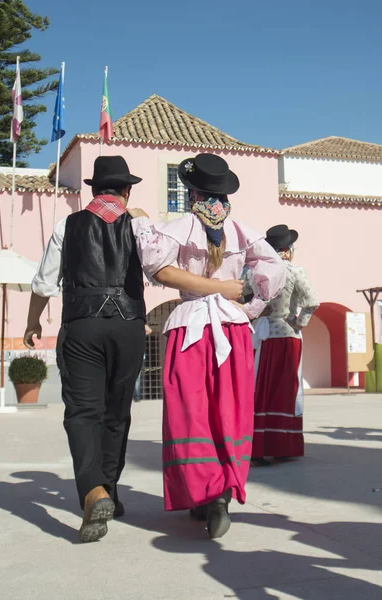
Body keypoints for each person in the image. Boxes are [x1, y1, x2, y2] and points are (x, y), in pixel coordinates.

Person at [23, 155, 245, 543]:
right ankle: (110, 488)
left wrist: (32, 322)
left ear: (93, 190)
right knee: (116, 412)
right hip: (128, 326)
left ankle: (94, 490)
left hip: (82, 324)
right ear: (127, 190)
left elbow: (43, 283)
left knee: (82, 412)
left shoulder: (67, 225)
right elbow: (160, 268)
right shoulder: (140, 226)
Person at [130, 153, 286, 539]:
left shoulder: (177, 227)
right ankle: (220, 494)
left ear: (190, 192)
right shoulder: (245, 233)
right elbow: (273, 270)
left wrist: (138, 218)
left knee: (190, 411)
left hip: (190, 328)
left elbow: (158, 268)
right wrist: (244, 303)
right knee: (229, 410)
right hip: (231, 329)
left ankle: (206, 491)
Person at [244, 224, 319, 465]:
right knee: (285, 390)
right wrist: (299, 323)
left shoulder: (254, 272)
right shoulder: (294, 271)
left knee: (259, 388)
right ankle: (281, 445)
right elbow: (312, 302)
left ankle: (258, 445)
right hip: (286, 335)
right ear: (287, 250)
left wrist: (251, 312)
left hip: (260, 336)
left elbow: (238, 293)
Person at [134, 324, 152, 402]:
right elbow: (149, 330)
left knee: (135, 378)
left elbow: (149, 330)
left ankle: (136, 396)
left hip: (135, 356)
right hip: (137, 356)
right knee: (137, 378)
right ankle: (137, 397)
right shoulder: (139, 334)